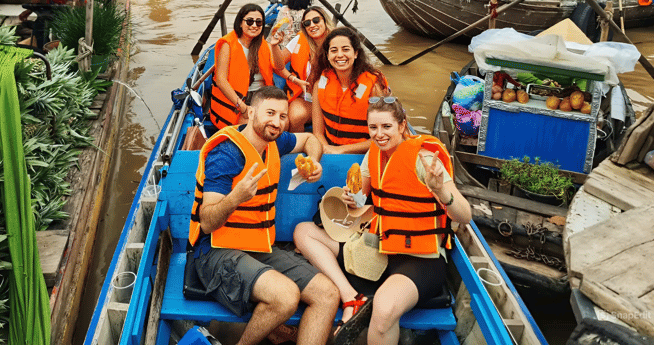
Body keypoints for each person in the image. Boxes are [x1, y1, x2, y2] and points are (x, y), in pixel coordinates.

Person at [293, 97, 471, 345]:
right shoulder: (373, 155)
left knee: (385, 310)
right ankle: (352, 298)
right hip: (378, 248)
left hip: (420, 260)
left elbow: (465, 215)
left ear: (402, 125)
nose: (379, 134)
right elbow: (359, 200)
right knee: (304, 232)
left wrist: (441, 191)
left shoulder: (425, 159)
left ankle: (370, 306)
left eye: (386, 127)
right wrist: (351, 198)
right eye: (373, 128)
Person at [189, 85, 340, 345]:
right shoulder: (226, 155)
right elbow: (207, 220)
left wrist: (314, 160)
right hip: (215, 251)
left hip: (256, 245)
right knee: (286, 295)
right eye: (270, 113)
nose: (277, 122)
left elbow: (308, 139)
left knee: (327, 293)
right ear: (250, 111)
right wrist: (237, 197)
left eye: (283, 116)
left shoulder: (274, 140)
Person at [310, 27, 390, 154]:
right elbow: (318, 132)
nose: (340, 55)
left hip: (364, 154)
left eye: (346, 49)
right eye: (334, 50)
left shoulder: (373, 87)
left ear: (356, 53)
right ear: (328, 55)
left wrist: (340, 150)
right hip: (330, 150)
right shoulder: (319, 84)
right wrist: (327, 150)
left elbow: (385, 136)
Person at [210, 4, 279, 130]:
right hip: (237, 99)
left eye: (259, 22)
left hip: (261, 96)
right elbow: (221, 80)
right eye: (249, 21)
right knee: (253, 128)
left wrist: (275, 46)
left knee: (280, 123)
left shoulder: (264, 45)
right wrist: (241, 106)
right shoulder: (228, 45)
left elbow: (279, 68)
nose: (254, 26)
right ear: (240, 23)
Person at [268, 6, 331, 134]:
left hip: (331, 101)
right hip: (305, 99)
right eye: (307, 23)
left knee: (295, 115)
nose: (312, 25)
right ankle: (297, 147)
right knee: (289, 119)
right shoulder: (299, 39)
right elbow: (277, 65)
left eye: (316, 20)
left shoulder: (337, 41)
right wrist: (274, 46)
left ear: (325, 21)